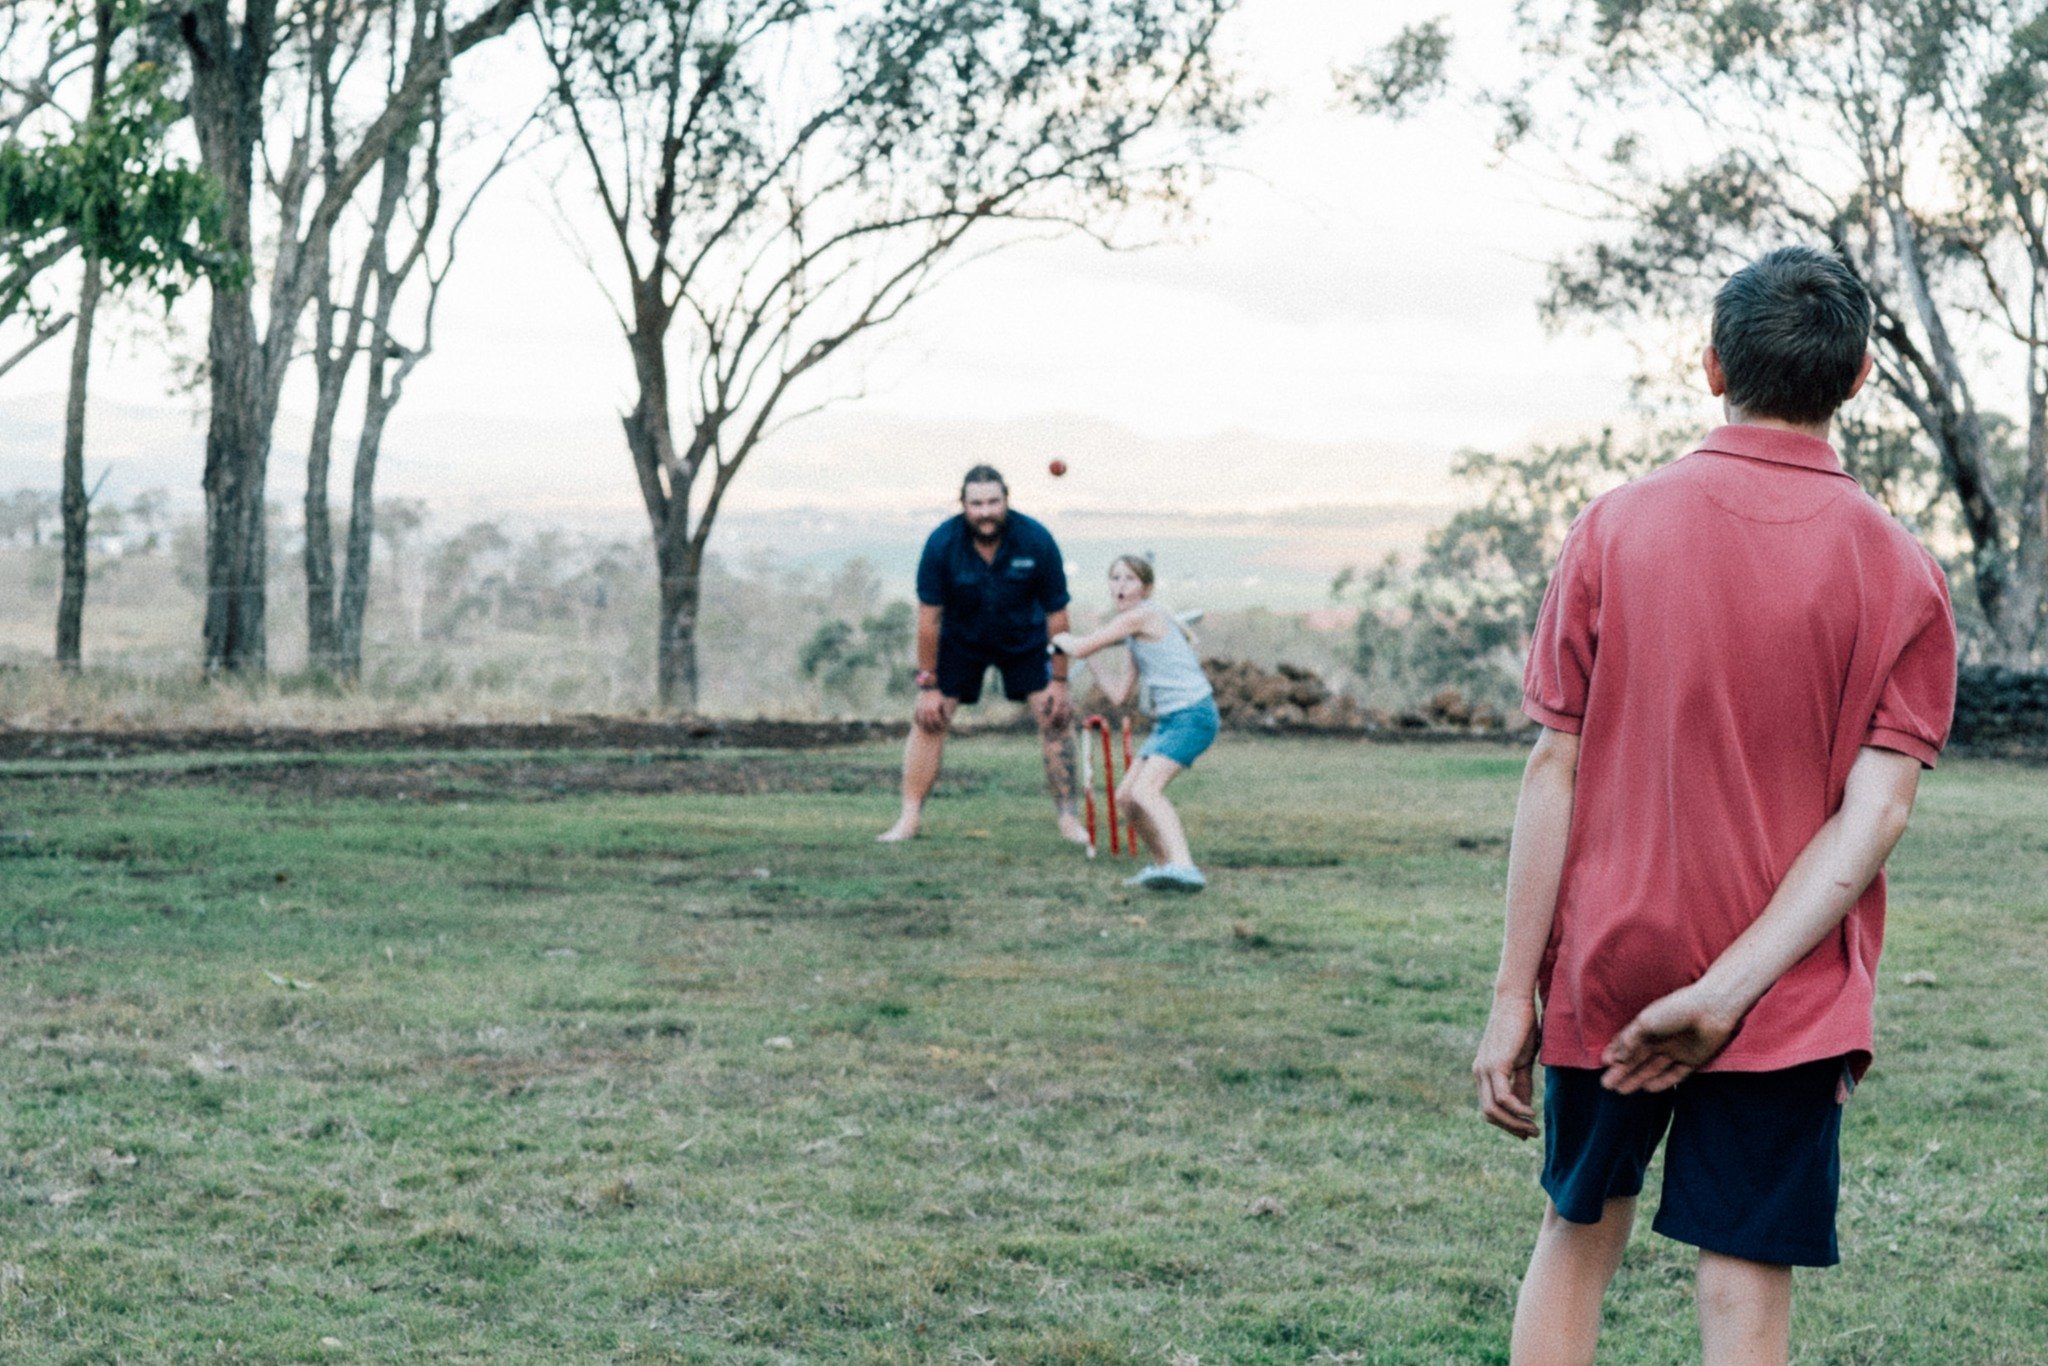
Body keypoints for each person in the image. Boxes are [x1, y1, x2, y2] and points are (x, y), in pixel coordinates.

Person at [1472, 246, 1957, 1365]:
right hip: (1784, 991)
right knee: (1742, 1274)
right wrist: (1728, 990)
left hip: (1609, 962)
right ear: (1857, 379)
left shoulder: (1611, 527)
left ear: (1707, 367)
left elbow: (1554, 769)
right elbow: (1874, 813)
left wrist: (1512, 993)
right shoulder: (1900, 569)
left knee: (1575, 1232)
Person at [878, 465, 1089, 845]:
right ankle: (908, 821)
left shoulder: (1036, 539)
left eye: (993, 502)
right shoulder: (941, 543)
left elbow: (1057, 615)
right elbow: (928, 620)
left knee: (1055, 717)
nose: (986, 511)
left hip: (1023, 639)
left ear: (1006, 500)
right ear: (963, 504)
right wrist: (927, 684)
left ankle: (1069, 821)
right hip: (960, 642)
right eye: (976, 503)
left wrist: (1060, 680)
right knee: (929, 719)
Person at [1050, 555, 1218, 892]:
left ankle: (1186, 868)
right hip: (1169, 720)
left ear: (1146, 587)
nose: (1120, 586)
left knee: (1146, 790)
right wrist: (1088, 657)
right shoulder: (1132, 629)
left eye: (1129, 579)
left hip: (1193, 715)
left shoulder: (1144, 615)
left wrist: (1060, 639)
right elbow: (1119, 694)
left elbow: (1079, 643)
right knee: (1127, 797)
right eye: (1115, 578)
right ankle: (1163, 866)